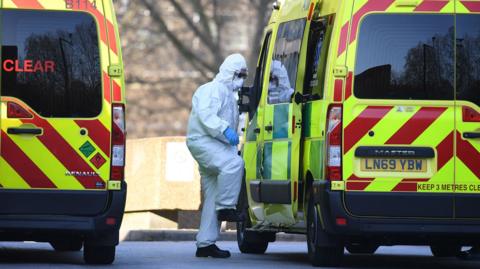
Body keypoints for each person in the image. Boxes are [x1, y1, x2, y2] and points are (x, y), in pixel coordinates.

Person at [186, 54, 248, 259]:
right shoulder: (212, 89)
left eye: (244, 76)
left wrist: (231, 137)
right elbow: (206, 115)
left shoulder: (230, 95)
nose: (242, 79)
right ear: (230, 72)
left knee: (212, 195)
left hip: (213, 145)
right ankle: (226, 208)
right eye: (240, 74)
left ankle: (205, 244)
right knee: (234, 164)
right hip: (203, 141)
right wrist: (225, 130)